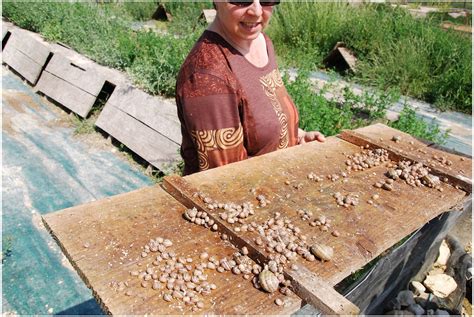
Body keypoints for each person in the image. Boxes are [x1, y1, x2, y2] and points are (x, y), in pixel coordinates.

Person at [176, 0, 325, 175]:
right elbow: (227, 180)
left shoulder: (260, 41)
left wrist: (296, 137)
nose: (256, 11)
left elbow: (264, 119)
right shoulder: (207, 76)